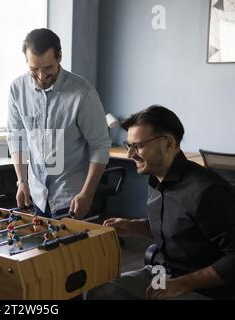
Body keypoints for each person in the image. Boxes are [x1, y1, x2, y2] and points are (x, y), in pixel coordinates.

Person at [87, 105, 235, 300]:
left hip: (203, 287)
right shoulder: (156, 180)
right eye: (128, 146)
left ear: (168, 143)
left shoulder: (207, 191)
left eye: (137, 146)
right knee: (99, 293)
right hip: (162, 275)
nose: (130, 154)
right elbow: (179, 229)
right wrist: (134, 227)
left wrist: (183, 283)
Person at [7, 28, 111, 220]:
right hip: (37, 195)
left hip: (71, 197)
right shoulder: (17, 89)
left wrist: (87, 194)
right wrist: (21, 181)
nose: (41, 77)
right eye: (34, 70)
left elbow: (100, 146)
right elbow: (16, 136)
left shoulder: (83, 94)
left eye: (47, 69)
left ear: (59, 57)